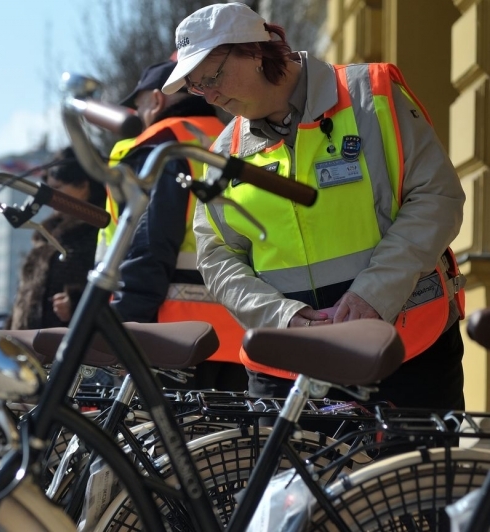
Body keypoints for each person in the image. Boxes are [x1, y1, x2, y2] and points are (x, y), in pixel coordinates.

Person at [162, 3, 466, 410]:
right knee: (284, 477)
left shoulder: (370, 95)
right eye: (197, 87)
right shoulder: (223, 149)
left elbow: (437, 197)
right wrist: (280, 317)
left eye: (212, 76)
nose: (210, 95)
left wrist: (373, 296)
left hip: (404, 345)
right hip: (286, 363)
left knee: (412, 475)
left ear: (255, 51)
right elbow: (216, 256)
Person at [102, 59, 248, 392]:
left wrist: (123, 323)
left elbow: (149, 242)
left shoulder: (159, 147)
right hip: (244, 334)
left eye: (138, 106)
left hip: (173, 335)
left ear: (156, 100)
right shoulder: (236, 138)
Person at [9, 146, 106, 330]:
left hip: (71, 347)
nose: (49, 197)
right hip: (28, 346)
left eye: (57, 188)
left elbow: (114, 290)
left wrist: (76, 304)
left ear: (83, 185)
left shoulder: (100, 230)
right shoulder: (45, 233)